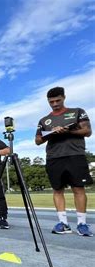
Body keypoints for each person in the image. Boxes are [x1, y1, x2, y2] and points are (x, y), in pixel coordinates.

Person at [35, 86, 93, 237]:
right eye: (51, 102)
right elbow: (38, 140)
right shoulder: (44, 120)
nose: (54, 104)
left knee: (78, 188)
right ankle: (63, 223)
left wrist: (68, 131)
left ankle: (82, 224)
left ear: (64, 97)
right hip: (54, 157)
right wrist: (53, 132)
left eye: (57, 100)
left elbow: (87, 131)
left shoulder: (77, 112)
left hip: (75, 155)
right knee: (57, 190)